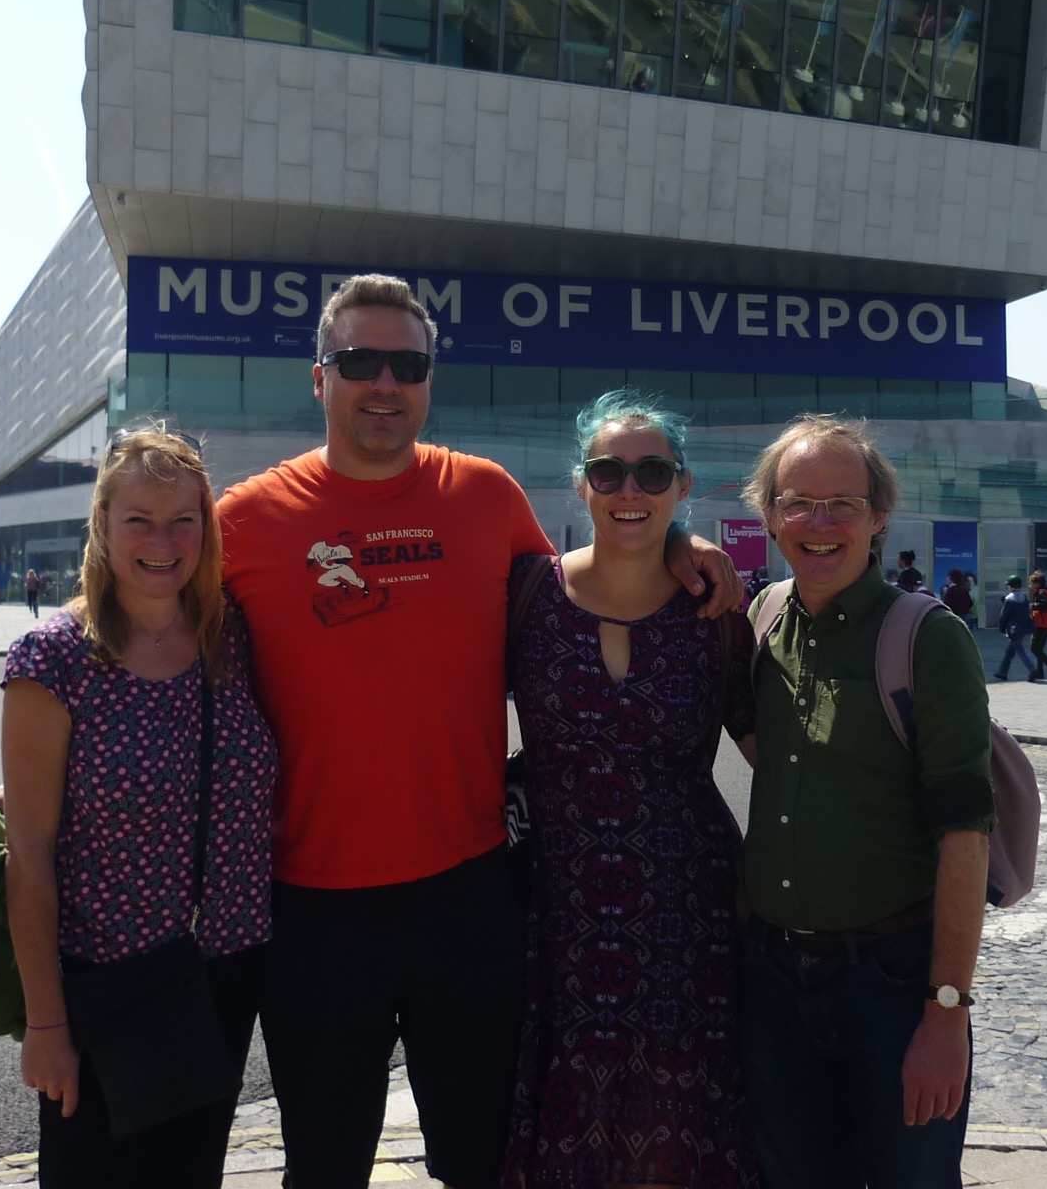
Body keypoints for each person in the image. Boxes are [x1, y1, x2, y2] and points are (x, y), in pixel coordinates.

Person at [214, 274, 739, 1189]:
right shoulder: (245, 520)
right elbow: (144, 635)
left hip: (468, 895)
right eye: (360, 362)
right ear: (319, 377)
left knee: (480, 1159)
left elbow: (587, 588)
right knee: (324, 1165)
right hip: (311, 907)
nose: (385, 383)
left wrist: (677, 541)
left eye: (407, 366)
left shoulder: (484, 496)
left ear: (430, 380)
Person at [0, 427, 277, 1188]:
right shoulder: (55, 657)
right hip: (107, 988)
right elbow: (28, 853)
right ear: (103, 524)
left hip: (218, 978)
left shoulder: (231, 638)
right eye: (139, 521)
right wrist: (46, 1024)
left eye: (183, 520)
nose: (163, 541)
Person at [503, 391, 759, 1189]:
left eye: (653, 473)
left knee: (681, 1122)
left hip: (689, 914)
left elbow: (779, 761)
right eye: (608, 471)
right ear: (581, 483)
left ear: (683, 486)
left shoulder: (714, 612)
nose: (629, 490)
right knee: (564, 1113)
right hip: (554, 910)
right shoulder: (527, 596)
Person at [738, 415, 994, 1189]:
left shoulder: (929, 639)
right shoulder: (761, 620)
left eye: (843, 505)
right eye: (798, 503)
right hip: (774, 984)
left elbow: (966, 838)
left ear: (879, 517)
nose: (819, 525)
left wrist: (945, 1014)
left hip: (891, 985)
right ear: (770, 515)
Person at [991, 574, 1036, 682]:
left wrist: (1002, 628)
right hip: (1023, 627)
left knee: (1019, 650)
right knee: (1009, 652)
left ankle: (1032, 669)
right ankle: (1002, 672)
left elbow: (1004, 616)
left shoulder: (1009, 599)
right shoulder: (1024, 597)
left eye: (1008, 585)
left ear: (1011, 586)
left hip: (1013, 629)